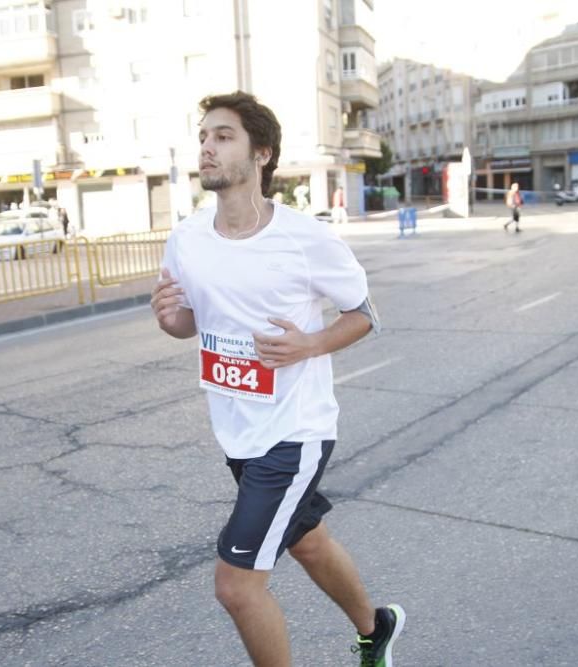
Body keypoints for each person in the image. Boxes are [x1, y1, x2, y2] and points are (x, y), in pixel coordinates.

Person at [151, 91, 405, 667]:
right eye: (203, 137)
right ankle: (376, 628)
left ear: (260, 153)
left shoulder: (303, 237)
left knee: (237, 587)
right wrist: (172, 322)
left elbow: (364, 313)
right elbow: (191, 323)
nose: (207, 148)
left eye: (223, 136)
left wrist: (310, 344)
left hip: (294, 431)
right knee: (308, 542)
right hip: (237, 430)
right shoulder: (187, 238)